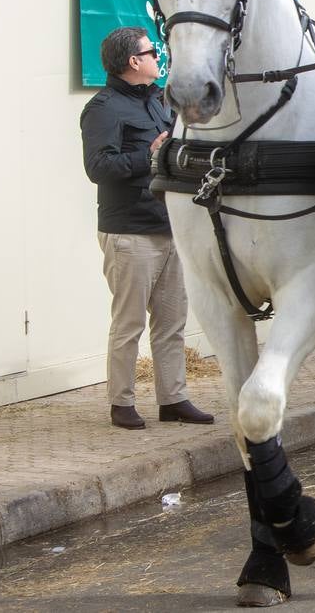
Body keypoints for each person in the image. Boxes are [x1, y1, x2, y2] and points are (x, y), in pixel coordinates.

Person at [81, 27, 213, 430]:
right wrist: (148, 153)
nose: (158, 57)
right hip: (130, 233)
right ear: (133, 62)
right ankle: (121, 403)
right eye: (151, 52)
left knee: (172, 324)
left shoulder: (159, 102)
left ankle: (173, 398)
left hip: (170, 227)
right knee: (129, 324)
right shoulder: (102, 109)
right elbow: (98, 168)